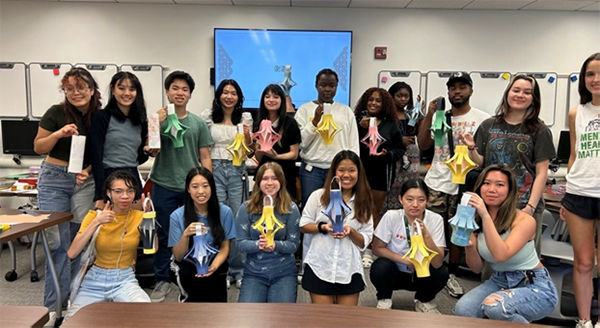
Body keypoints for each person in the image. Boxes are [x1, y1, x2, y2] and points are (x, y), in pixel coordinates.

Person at [462, 74, 554, 258]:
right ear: (507, 93)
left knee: (523, 260)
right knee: (492, 257)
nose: (520, 95)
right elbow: (481, 163)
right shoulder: (489, 125)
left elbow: (541, 173)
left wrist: (530, 207)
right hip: (494, 204)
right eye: (516, 90)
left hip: (524, 203)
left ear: (534, 98)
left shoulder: (540, 130)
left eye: (527, 92)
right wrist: (471, 147)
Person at [33, 67, 100, 318]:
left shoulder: (99, 117)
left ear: (92, 90)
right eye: (69, 88)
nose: (76, 92)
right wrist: (59, 133)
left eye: (81, 87)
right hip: (54, 180)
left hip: (84, 182)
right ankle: (52, 308)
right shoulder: (56, 112)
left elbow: (100, 152)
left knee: (77, 245)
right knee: (58, 246)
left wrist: (89, 169)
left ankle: (72, 299)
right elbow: (39, 147)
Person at [453, 164, 558, 323]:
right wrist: (469, 247)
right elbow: (476, 268)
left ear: (510, 191)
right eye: (486, 183)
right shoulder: (475, 220)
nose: (491, 189)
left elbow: (501, 255)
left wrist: (485, 215)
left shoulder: (524, 220)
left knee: (495, 307)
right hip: (500, 280)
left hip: (533, 283)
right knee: (463, 310)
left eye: (500, 185)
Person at [417, 72, 489, 298]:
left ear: (471, 91)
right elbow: (424, 144)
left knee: (460, 231)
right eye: (453, 88)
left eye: (462, 87)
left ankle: (452, 275)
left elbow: (485, 154)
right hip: (437, 181)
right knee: (432, 230)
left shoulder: (483, 119)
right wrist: (430, 115)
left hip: (465, 183)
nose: (457, 91)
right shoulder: (441, 116)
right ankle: (428, 270)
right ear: (448, 92)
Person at [149, 71, 213, 302]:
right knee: (164, 233)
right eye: (175, 88)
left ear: (190, 94)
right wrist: (156, 122)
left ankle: (191, 274)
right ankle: (162, 280)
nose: (180, 93)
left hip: (191, 188)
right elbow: (151, 149)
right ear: (167, 91)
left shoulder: (197, 123)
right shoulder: (158, 118)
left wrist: (207, 185)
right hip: (164, 183)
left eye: (185, 89)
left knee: (194, 231)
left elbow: (204, 156)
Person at [64, 170, 152, 321]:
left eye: (130, 191)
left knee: (145, 315)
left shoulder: (139, 216)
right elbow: (72, 253)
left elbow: (151, 248)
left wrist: (149, 218)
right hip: (94, 279)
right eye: (118, 191)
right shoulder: (94, 216)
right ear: (108, 193)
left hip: (124, 278)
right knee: (72, 321)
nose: (125, 196)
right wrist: (97, 222)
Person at [300, 150, 374, 305]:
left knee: (346, 321)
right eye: (341, 170)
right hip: (319, 265)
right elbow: (304, 225)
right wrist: (324, 227)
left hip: (348, 268)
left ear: (359, 173)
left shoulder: (363, 202)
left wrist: (351, 232)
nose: (346, 175)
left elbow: (364, 240)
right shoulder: (318, 196)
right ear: (334, 172)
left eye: (352, 170)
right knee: (323, 320)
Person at [200, 79, 253, 289]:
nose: (229, 96)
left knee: (239, 219)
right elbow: (204, 147)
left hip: (237, 169)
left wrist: (248, 138)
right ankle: (220, 269)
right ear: (219, 95)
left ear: (238, 97)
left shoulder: (245, 118)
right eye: (225, 92)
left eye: (233, 93)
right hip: (214, 169)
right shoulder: (208, 117)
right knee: (217, 218)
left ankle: (238, 270)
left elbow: (249, 148)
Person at [561, 52, 600, 328]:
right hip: (579, 193)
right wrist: (566, 193)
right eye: (590, 74)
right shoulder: (577, 113)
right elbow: (573, 155)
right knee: (584, 263)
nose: (596, 79)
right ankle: (585, 320)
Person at [369, 178, 448, 314]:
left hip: (423, 273)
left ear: (428, 200)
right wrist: (405, 260)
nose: (415, 205)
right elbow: (377, 248)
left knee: (442, 273)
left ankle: (424, 300)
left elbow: (438, 262)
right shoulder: (391, 216)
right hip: (396, 271)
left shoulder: (435, 219)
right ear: (401, 199)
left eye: (421, 200)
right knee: (379, 267)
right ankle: (384, 298)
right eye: (409, 199)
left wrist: (427, 236)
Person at [354, 87, 405, 267]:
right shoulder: (357, 122)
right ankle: (354, 247)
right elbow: (350, 144)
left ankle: (368, 250)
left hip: (381, 173)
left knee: (374, 212)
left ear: (385, 104)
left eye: (378, 100)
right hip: (358, 172)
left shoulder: (391, 125)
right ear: (365, 102)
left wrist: (387, 154)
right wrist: (360, 128)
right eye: (370, 100)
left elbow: (400, 149)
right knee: (356, 209)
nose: (374, 103)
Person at [294, 68, 360, 208]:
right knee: (310, 208)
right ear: (316, 86)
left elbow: (353, 143)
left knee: (339, 208)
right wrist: (315, 122)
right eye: (323, 85)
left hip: (339, 169)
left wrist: (353, 167)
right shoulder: (304, 110)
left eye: (332, 86)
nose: (328, 89)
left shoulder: (346, 111)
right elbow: (302, 144)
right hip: (311, 170)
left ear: (337, 87)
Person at [168, 167, 236, 302]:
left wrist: (214, 266)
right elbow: (178, 256)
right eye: (195, 186)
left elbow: (225, 248)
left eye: (205, 186)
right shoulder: (177, 216)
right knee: (194, 306)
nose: (201, 191)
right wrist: (186, 234)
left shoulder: (225, 212)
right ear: (188, 189)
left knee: (218, 308)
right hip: (188, 264)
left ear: (212, 187)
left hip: (214, 261)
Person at [236, 162, 301, 303]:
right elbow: (240, 244)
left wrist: (275, 245)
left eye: (274, 178)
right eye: (265, 178)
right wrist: (258, 245)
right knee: (247, 319)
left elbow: (294, 244)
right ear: (258, 182)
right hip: (254, 273)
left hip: (284, 273)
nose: (270, 183)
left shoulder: (291, 208)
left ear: (281, 182)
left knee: (281, 320)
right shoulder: (246, 208)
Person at [90, 71, 149, 209]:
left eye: (132, 89)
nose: (127, 93)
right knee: (108, 225)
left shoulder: (140, 121)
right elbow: (96, 156)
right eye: (121, 88)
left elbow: (138, 156)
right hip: (109, 175)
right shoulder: (102, 117)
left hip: (132, 175)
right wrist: (100, 194)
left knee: (135, 224)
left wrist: (148, 151)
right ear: (113, 90)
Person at [253, 84, 301, 200]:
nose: (271, 100)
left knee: (285, 211)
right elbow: (258, 157)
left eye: (275, 97)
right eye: (267, 97)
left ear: (282, 100)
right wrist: (260, 151)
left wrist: (276, 156)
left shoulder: (290, 123)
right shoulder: (258, 122)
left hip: (285, 175)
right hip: (264, 175)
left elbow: (294, 154)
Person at [385, 82, 423, 210]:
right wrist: (400, 140)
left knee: (410, 187)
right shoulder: (387, 116)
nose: (403, 99)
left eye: (406, 96)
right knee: (393, 187)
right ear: (391, 96)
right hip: (395, 156)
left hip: (412, 155)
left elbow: (419, 134)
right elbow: (383, 135)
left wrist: (420, 114)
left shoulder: (410, 114)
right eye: (399, 96)